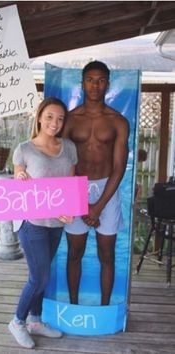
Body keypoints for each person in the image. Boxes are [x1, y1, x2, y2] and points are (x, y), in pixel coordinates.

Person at [9, 97, 77, 349]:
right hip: (32, 222)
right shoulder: (24, 149)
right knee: (39, 276)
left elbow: (70, 186)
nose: (54, 123)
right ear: (39, 117)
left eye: (60, 118)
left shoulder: (69, 147)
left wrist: (70, 210)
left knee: (41, 275)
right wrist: (20, 177)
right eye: (49, 117)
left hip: (56, 224)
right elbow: (18, 182)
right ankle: (17, 321)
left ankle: (35, 321)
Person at [63, 60, 129, 306]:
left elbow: (119, 168)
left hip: (107, 190)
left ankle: (104, 309)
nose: (95, 85)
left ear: (107, 84)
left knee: (107, 255)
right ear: (82, 83)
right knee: (74, 254)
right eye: (90, 79)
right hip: (74, 187)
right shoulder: (69, 120)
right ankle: (72, 306)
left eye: (101, 80)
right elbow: (62, 164)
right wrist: (79, 203)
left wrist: (98, 206)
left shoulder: (118, 121)